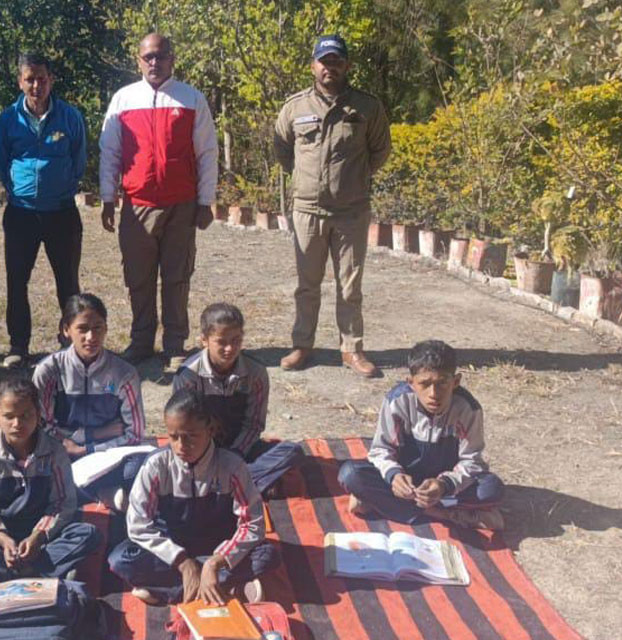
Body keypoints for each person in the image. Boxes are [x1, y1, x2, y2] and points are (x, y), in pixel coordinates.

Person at [273, 35, 392, 378]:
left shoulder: (367, 108)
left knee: (350, 286)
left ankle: (352, 348)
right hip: (308, 210)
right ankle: (302, 345)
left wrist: (352, 179)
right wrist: (306, 179)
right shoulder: (295, 108)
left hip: (351, 211)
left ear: (347, 65)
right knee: (306, 284)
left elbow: (380, 151)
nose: (330, 67)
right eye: (324, 61)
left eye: (337, 61)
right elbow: (283, 149)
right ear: (313, 66)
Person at [98, 33, 218, 373]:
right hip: (137, 205)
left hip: (181, 204)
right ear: (138, 61)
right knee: (138, 277)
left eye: (161, 56)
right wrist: (107, 197)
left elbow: (207, 151)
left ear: (172, 59)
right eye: (148, 56)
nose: (155, 62)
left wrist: (205, 200)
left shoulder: (191, 99)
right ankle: (141, 341)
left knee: (177, 277)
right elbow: (110, 151)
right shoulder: (123, 100)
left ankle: (175, 344)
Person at [0, 376, 101, 602]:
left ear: (38, 415)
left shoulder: (54, 452)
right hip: (0, 536)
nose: (17, 423)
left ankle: (0, 573)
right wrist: (3, 539)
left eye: (26, 416)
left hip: (42, 533)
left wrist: (38, 536)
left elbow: (63, 503)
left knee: (88, 534)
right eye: (9, 416)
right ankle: (39, 570)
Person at [109, 389, 279, 606]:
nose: (181, 446)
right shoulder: (156, 466)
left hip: (217, 546)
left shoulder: (232, 466)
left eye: (191, 436)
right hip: (171, 548)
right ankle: (225, 586)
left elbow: (252, 523)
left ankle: (169, 590)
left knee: (267, 555)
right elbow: (138, 525)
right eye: (174, 437)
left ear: (210, 430)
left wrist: (215, 563)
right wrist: (183, 563)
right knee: (121, 559)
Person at [337, 340, 505, 530]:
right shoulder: (397, 401)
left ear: (456, 381)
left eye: (442, 383)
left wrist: (444, 484)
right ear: (411, 383)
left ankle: (379, 502)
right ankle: (444, 514)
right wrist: (394, 476)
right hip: (407, 480)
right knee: (351, 474)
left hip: (443, 483)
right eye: (424, 384)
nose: (434, 393)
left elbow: (471, 460)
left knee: (491, 488)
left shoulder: (468, 409)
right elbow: (381, 450)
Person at [0, 52, 87, 368]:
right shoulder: (8, 119)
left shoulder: (70, 116)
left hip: (61, 212)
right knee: (17, 280)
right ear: (20, 82)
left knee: (68, 282)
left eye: (42, 79)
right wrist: (18, 190)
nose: (36, 86)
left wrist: (61, 187)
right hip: (21, 213)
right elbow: (3, 162)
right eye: (30, 79)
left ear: (51, 80)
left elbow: (78, 160)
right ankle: (18, 344)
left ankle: (70, 341)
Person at [172, 303, 303, 495]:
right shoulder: (188, 376)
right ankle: (245, 484)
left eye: (236, 340)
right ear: (204, 340)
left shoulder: (256, 373)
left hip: (241, 450)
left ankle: (224, 485)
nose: (230, 348)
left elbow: (254, 425)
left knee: (292, 452)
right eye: (221, 342)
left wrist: (234, 455)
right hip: (200, 451)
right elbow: (184, 427)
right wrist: (208, 457)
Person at [31, 293, 146, 510]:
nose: (91, 337)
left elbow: (135, 434)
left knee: (140, 465)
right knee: (32, 465)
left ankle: (73, 491)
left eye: (98, 328)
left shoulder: (124, 373)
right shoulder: (48, 371)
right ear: (66, 330)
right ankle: (101, 492)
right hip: (60, 451)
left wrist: (87, 449)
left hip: (105, 456)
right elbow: (41, 426)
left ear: (106, 329)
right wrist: (92, 434)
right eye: (82, 329)